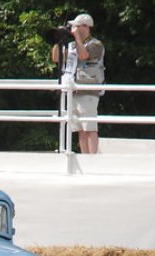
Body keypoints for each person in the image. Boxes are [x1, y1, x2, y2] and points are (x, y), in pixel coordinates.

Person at [51, 13, 105, 154]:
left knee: (90, 127)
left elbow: (84, 56)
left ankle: (92, 159)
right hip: (73, 89)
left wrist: (76, 38)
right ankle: (84, 156)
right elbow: (56, 58)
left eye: (76, 25)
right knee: (80, 129)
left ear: (86, 27)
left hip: (89, 90)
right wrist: (58, 40)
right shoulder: (72, 45)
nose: (72, 28)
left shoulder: (95, 44)